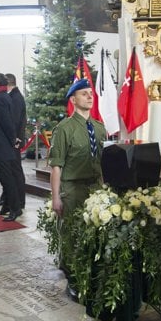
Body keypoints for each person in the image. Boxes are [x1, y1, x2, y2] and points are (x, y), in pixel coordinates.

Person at [48, 78, 106, 296]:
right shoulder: (64, 129)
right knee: (72, 234)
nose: (90, 96)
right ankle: (73, 280)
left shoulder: (99, 128)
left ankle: (90, 273)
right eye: (84, 93)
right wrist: (56, 197)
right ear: (73, 99)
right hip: (72, 189)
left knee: (92, 232)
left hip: (95, 189)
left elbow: (104, 161)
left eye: (91, 93)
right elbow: (56, 167)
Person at [0, 73, 21, 221]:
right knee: (3, 178)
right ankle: (7, 206)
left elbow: (7, 123)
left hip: (3, 146)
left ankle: (15, 209)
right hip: (0, 145)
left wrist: (13, 140)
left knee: (7, 179)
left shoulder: (1, 99)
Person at [6, 73, 26, 210]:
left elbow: (16, 120)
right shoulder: (13, 96)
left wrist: (16, 138)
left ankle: (20, 200)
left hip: (15, 140)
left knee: (16, 170)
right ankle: (10, 199)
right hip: (14, 139)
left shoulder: (16, 97)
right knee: (12, 170)